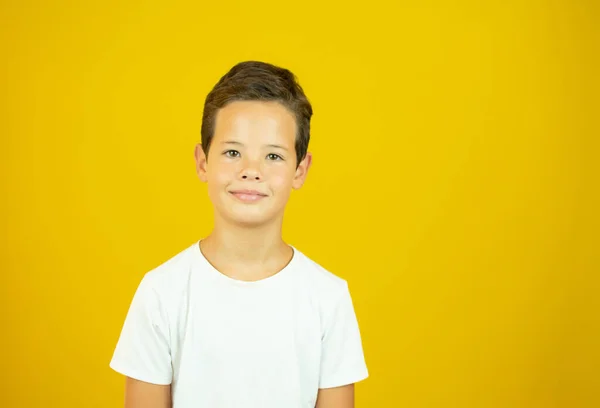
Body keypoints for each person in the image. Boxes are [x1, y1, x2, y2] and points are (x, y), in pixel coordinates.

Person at [109, 60, 368, 408]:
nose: (251, 171)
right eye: (233, 152)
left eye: (273, 156)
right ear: (203, 162)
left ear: (300, 170)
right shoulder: (161, 294)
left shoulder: (328, 299)